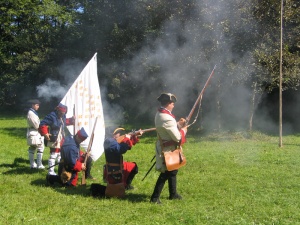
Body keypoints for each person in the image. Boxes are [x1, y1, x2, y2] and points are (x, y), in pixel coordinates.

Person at [150, 93, 187, 204]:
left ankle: (173, 193)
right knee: (166, 172)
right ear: (168, 104)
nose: (173, 105)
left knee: (173, 170)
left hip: (166, 146)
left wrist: (178, 124)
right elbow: (177, 138)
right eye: (172, 103)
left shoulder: (161, 113)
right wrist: (184, 130)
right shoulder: (166, 117)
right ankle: (154, 198)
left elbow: (169, 127)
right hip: (168, 148)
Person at [39, 103, 75, 175]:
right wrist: (45, 133)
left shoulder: (63, 115)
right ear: (58, 111)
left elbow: (64, 122)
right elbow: (42, 124)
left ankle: (60, 169)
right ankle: (51, 172)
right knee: (54, 153)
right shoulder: (52, 115)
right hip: (54, 137)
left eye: (63, 113)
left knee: (60, 154)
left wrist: (71, 120)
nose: (62, 114)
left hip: (61, 137)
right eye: (61, 113)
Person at [26, 99, 45, 169]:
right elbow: (36, 125)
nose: (38, 106)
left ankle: (33, 164)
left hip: (34, 132)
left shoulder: (32, 112)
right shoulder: (31, 113)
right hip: (35, 132)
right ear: (33, 105)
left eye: (38, 105)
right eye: (37, 105)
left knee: (32, 148)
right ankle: (38, 164)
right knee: (40, 147)